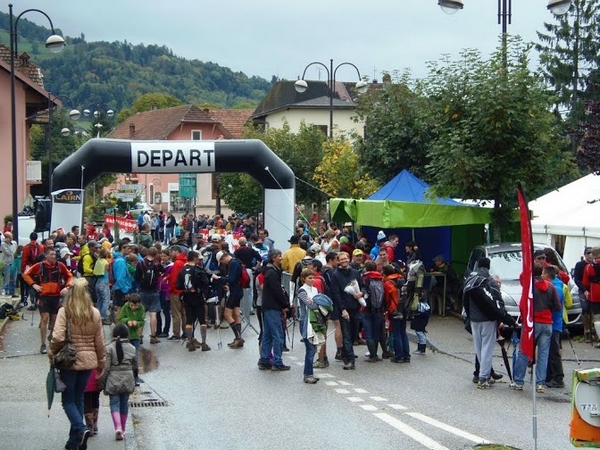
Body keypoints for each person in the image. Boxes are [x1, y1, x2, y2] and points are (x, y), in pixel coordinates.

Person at [48, 278, 105, 450]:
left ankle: (80, 429)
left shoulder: (65, 312)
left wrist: (52, 352)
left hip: (69, 360)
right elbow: (100, 341)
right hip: (88, 361)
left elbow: (57, 337)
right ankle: (74, 443)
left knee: (68, 400)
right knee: (79, 398)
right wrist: (101, 362)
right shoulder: (94, 312)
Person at [512, 263, 561, 392]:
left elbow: (522, 278)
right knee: (543, 354)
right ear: (542, 272)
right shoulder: (550, 287)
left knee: (524, 351)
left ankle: (518, 381)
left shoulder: (529, 286)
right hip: (547, 323)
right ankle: (540, 383)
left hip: (531, 323)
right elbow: (557, 306)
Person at [463, 257, 511, 389]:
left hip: (474, 320)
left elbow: (465, 300)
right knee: (487, 349)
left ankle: (481, 375)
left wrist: (469, 316)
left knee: (478, 349)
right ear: (489, 266)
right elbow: (497, 301)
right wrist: (502, 318)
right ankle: (483, 377)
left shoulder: (470, 280)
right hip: (488, 320)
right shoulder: (489, 281)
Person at [23, 247, 74, 354]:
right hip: (43, 295)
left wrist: (67, 287)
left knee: (55, 319)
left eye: (55, 254)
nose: (54, 256)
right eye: (51, 254)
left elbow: (70, 276)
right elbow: (26, 274)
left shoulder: (60, 265)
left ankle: (52, 337)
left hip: (56, 295)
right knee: (45, 318)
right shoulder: (39, 266)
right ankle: (43, 344)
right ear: (46, 255)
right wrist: (34, 285)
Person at [98, 323, 137, 441]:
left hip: (113, 379)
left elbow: (106, 368)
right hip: (127, 378)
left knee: (114, 404)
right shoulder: (132, 348)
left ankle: (118, 427)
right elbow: (134, 365)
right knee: (124, 403)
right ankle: (123, 429)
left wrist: (102, 383)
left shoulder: (109, 348)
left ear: (114, 334)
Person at [257, 249, 291, 371]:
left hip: (267, 305)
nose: (281, 258)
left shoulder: (270, 271)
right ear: (273, 258)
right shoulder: (272, 272)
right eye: (279, 256)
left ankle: (264, 359)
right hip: (272, 306)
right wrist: (284, 304)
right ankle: (277, 361)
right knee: (277, 334)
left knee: (268, 334)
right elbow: (276, 290)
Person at [330, 251, 364, 370]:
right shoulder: (335, 275)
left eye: (346, 258)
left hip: (356, 307)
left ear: (349, 259)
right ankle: (350, 360)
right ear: (338, 261)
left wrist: (362, 293)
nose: (344, 261)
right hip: (344, 309)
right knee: (346, 335)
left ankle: (343, 353)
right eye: (341, 259)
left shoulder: (355, 273)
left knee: (354, 333)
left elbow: (363, 286)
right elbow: (336, 294)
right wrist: (342, 309)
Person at [177, 250, 211, 352]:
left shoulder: (182, 270)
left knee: (189, 319)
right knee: (202, 319)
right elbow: (206, 282)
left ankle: (190, 342)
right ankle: (204, 343)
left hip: (187, 296)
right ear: (195, 258)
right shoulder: (198, 270)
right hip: (198, 296)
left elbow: (178, 285)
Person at [212, 251, 245, 348]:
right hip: (238, 290)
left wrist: (219, 278)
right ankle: (238, 338)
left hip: (234, 292)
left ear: (224, 258)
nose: (223, 264)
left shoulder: (233, 264)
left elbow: (231, 279)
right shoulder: (237, 261)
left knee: (227, 314)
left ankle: (238, 337)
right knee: (236, 314)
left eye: (222, 261)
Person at [544, 265, 568, 388]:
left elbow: (554, 305)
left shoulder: (556, 288)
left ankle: (558, 377)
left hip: (554, 323)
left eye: (543, 275)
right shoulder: (556, 285)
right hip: (553, 323)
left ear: (547, 276)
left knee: (554, 351)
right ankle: (549, 375)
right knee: (550, 350)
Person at [297, 268, 321, 383]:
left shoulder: (315, 290)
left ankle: (310, 372)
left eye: (313, 277)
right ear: (303, 279)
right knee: (310, 349)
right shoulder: (301, 291)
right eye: (309, 278)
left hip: (314, 321)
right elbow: (310, 304)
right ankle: (307, 374)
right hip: (305, 322)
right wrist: (317, 304)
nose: (312, 280)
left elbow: (317, 302)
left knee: (314, 348)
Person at [135, 246, 164, 344]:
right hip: (154, 291)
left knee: (141, 314)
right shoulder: (157, 265)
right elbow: (163, 272)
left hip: (143, 291)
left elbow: (136, 277)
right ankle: (153, 336)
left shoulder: (140, 264)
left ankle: (139, 336)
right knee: (153, 314)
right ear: (156, 255)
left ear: (147, 253)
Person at [383, 264, 410, 363]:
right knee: (403, 332)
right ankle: (406, 355)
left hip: (394, 309)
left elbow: (386, 298)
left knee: (396, 333)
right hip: (404, 308)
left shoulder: (388, 283)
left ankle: (399, 356)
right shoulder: (402, 279)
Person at [360, 260, 385, 362]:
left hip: (367, 308)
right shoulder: (380, 278)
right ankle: (376, 354)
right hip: (378, 309)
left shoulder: (365, 278)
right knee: (376, 332)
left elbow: (363, 292)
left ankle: (373, 355)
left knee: (368, 332)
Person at [118, 293, 145, 385]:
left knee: (135, 356)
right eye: (132, 305)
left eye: (136, 305)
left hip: (135, 336)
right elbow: (120, 318)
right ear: (129, 303)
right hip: (126, 336)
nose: (134, 307)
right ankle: (124, 375)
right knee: (125, 356)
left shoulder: (141, 308)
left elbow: (142, 320)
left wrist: (136, 323)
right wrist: (127, 321)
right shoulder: (125, 307)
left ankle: (135, 376)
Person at [573, 247, 594, 342]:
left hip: (594, 289)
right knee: (585, 309)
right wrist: (584, 290)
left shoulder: (595, 265)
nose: (590, 255)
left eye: (592, 253)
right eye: (588, 253)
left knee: (594, 310)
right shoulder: (580, 265)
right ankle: (587, 332)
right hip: (583, 289)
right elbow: (576, 279)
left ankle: (595, 331)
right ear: (585, 254)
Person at [112, 242, 134, 323]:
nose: (130, 250)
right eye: (128, 248)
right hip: (121, 288)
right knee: (120, 309)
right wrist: (125, 291)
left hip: (121, 287)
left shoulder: (121, 259)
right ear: (122, 248)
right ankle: (118, 328)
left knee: (121, 308)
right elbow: (120, 278)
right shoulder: (120, 261)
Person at [93, 248, 111, 325]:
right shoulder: (106, 262)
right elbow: (108, 270)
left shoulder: (98, 261)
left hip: (97, 282)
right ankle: (103, 317)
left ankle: (98, 316)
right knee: (106, 301)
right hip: (104, 282)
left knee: (99, 300)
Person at [1, 232, 17, 296]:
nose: (10, 239)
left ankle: (12, 292)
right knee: (6, 278)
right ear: (5, 238)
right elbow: (8, 253)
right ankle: (5, 291)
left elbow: (16, 251)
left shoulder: (14, 243)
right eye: (8, 238)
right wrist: (14, 252)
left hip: (14, 263)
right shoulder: (3, 244)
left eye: (11, 237)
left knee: (13, 278)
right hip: (7, 263)